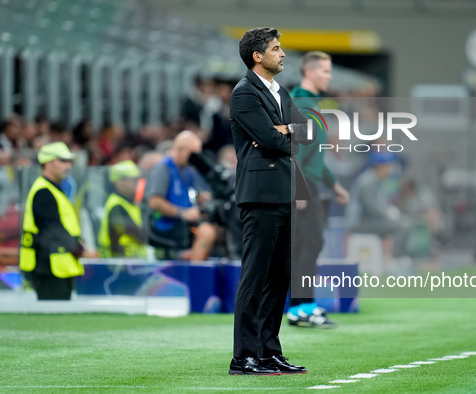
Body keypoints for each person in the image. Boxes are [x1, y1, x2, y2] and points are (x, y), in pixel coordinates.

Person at [229, 27, 315, 375]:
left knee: (279, 276)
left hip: (284, 191)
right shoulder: (244, 93)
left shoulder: (279, 91)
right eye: (276, 49)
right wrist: (281, 133)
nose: (283, 54)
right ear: (257, 56)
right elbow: (269, 139)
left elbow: (308, 132)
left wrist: (283, 132)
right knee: (254, 277)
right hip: (261, 195)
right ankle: (244, 357)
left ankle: (268, 352)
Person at [288, 51, 350, 328]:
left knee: (305, 245)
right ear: (310, 73)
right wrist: (298, 189)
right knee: (310, 244)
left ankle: (300, 308)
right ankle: (303, 308)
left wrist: (334, 185)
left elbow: (316, 157)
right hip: (303, 185)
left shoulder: (312, 103)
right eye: (325, 71)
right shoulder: (301, 103)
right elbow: (295, 152)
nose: (329, 76)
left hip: (311, 182)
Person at [19, 142, 85, 300]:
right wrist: (75, 246)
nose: (68, 166)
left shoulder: (53, 189)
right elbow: (51, 228)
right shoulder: (44, 191)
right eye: (63, 161)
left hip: (57, 265)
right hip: (48, 267)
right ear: (48, 163)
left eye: (69, 162)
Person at [145, 131, 216, 261]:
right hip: (168, 225)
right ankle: (195, 274)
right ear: (181, 150)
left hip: (185, 225)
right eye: (193, 155)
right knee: (206, 232)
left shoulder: (188, 170)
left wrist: (202, 198)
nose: (196, 159)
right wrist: (182, 213)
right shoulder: (162, 169)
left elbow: (192, 194)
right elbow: (154, 202)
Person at [97, 160, 146, 258]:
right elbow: (139, 235)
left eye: (136, 179)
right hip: (119, 264)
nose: (136, 182)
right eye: (131, 179)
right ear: (118, 181)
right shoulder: (116, 205)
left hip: (131, 263)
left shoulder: (130, 204)